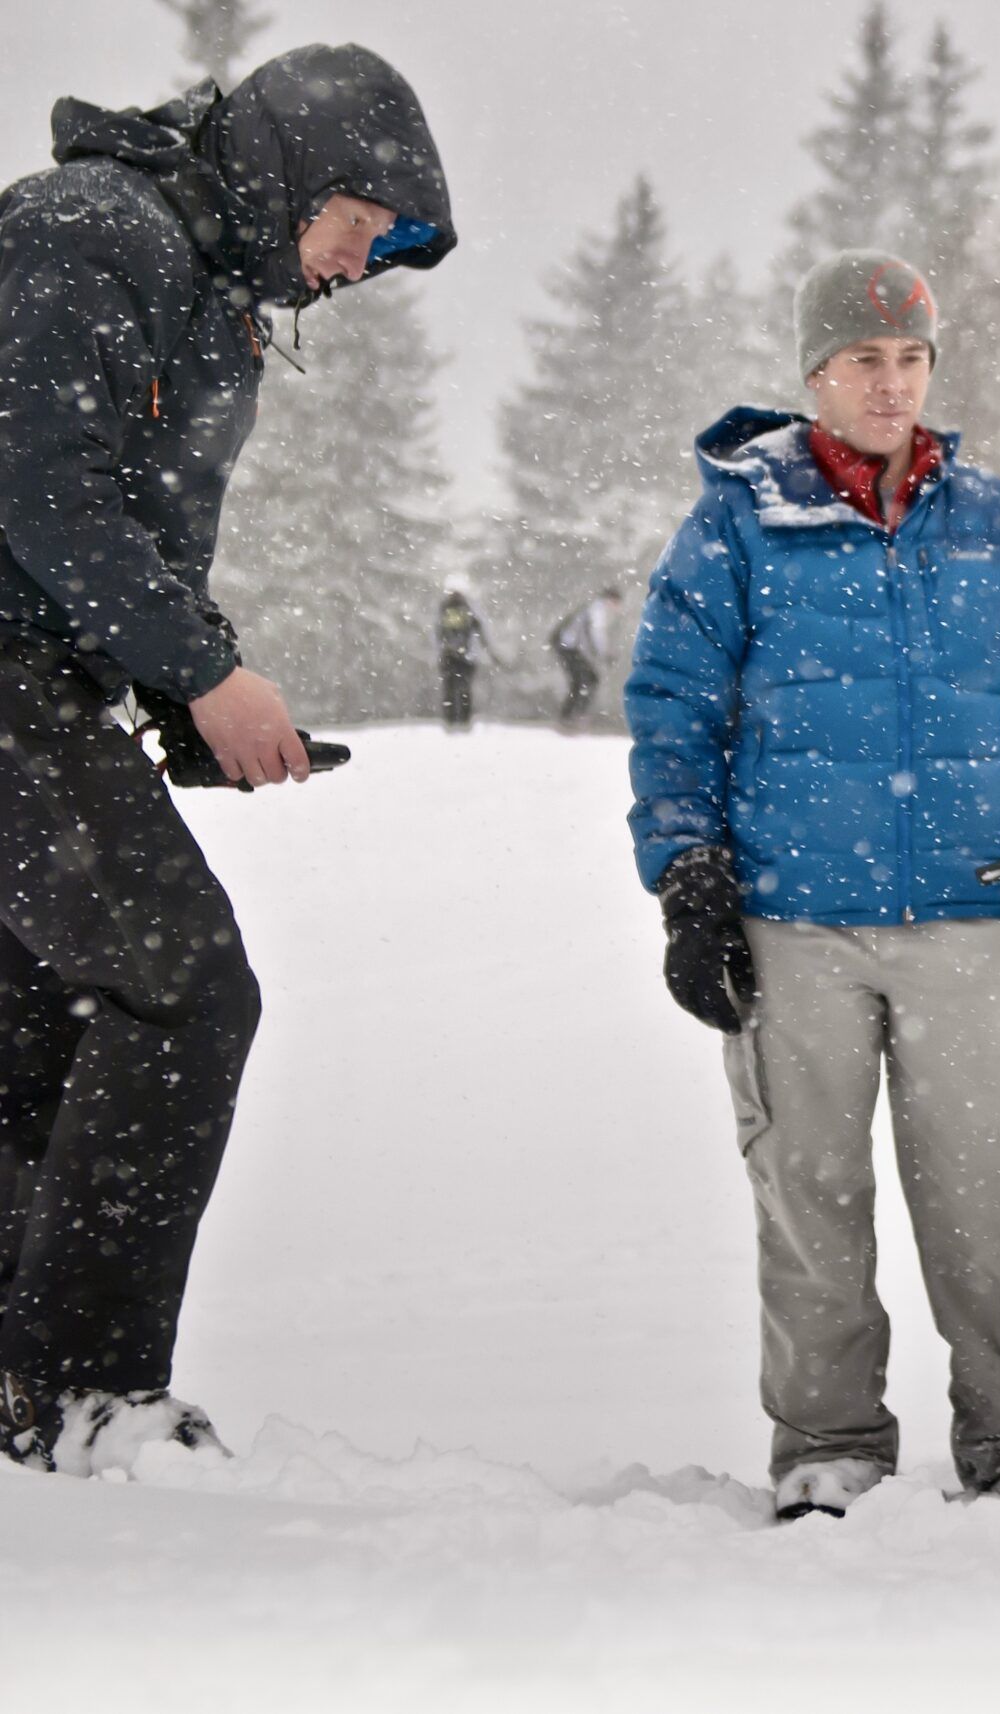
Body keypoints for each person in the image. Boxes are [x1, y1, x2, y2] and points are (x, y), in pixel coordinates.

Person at [0, 46, 455, 1471]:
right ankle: (88, 1390)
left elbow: (129, 532)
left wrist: (192, 693)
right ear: (299, 167)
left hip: (47, 690)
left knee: (39, 1028)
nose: (354, 268)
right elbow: (41, 484)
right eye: (359, 228)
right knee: (186, 990)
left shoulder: (205, 290)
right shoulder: (93, 233)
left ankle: (25, 1392)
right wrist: (204, 675)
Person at [624, 251, 1000, 1525]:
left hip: (963, 915)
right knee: (811, 1197)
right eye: (863, 360)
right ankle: (829, 1444)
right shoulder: (739, 521)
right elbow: (675, 707)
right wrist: (689, 882)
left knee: (996, 1189)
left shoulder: (997, 524)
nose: (889, 383)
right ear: (815, 375)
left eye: (909, 359)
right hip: (792, 925)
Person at [551, 586, 622, 728]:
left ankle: (569, 717)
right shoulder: (598, 610)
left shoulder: (594, 608)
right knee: (587, 680)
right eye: (616, 603)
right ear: (610, 600)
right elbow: (595, 634)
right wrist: (605, 654)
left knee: (582, 681)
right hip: (568, 647)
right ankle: (572, 717)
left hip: (568, 647)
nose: (617, 608)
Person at [435, 580, 499, 731]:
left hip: (448, 655)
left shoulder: (444, 609)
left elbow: (438, 634)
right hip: (467, 657)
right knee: (465, 689)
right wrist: (489, 652)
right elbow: (480, 632)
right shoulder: (469, 610)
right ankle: (464, 720)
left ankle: (450, 720)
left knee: (450, 689)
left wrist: (442, 651)